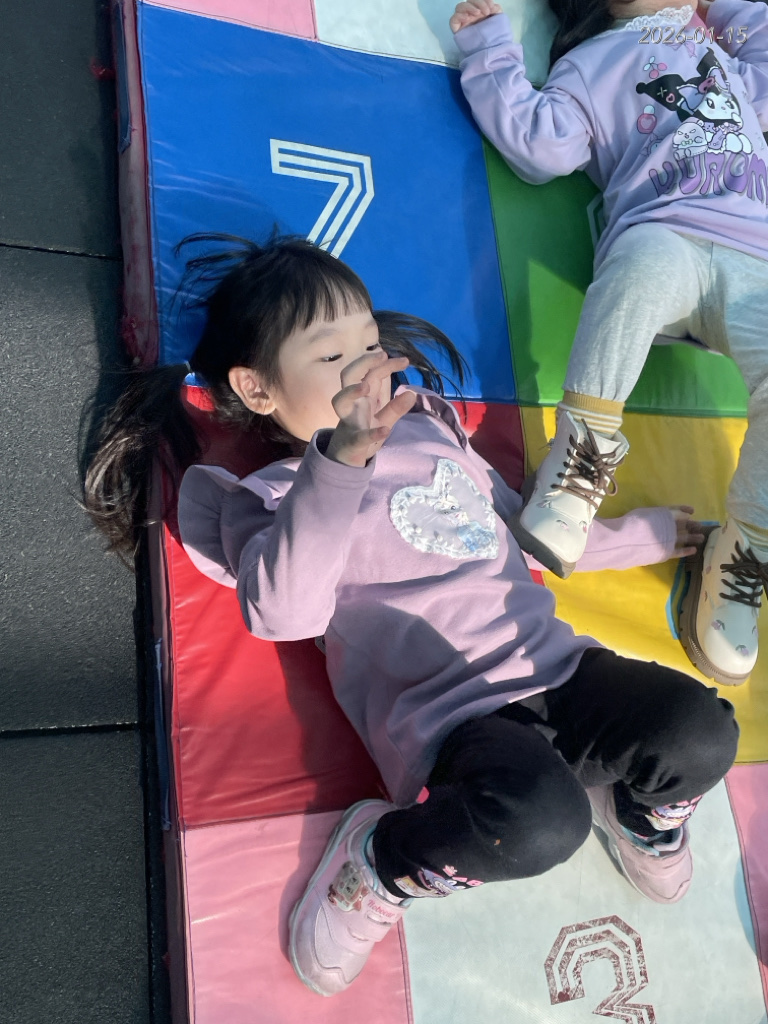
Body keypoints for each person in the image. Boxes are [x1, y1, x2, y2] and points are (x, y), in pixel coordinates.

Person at [84, 236, 738, 997]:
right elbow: (283, 613)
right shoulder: (275, 497)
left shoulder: (432, 431)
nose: (366, 368)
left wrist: (640, 538)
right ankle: (380, 863)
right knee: (537, 828)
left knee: (700, 732)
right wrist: (343, 461)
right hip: (453, 725)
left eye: (369, 344)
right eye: (333, 357)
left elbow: (519, 530)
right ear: (258, 390)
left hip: (556, 668)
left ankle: (636, 814)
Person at [450, 0, 768, 686]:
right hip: (665, 235)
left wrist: (726, 6)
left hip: (756, 263)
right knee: (636, 271)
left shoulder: (728, 60)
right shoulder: (591, 62)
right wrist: (490, 48)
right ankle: (578, 465)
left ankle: (745, 551)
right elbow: (539, 145)